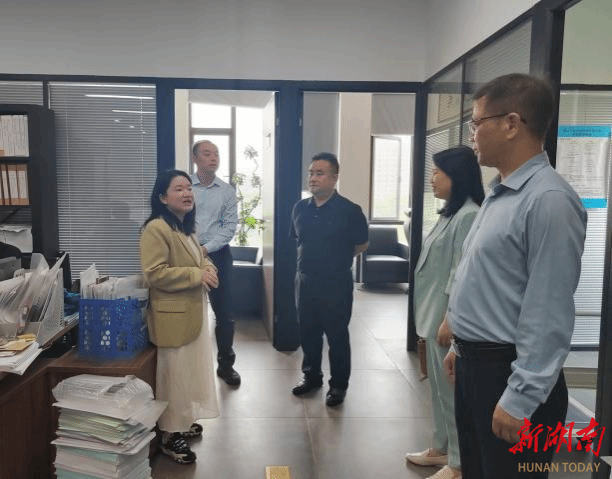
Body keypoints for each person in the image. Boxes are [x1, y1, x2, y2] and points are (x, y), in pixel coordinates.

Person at [443, 74, 587, 479]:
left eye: (476, 123)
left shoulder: (549, 200)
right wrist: (459, 345)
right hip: (476, 366)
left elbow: (549, 310)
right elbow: (484, 280)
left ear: (511, 124)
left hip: (509, 375)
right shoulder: (500, 192)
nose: (471, 134)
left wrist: (521, 397)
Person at [406, 146, 484, 479]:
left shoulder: (468, 215)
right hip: (431, 313)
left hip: (445, 318)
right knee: (438, 389)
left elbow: (459, 272)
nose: (432, 178)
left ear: (457, 176)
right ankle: (440, 447)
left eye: (438, 172)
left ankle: (458, 462)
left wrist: (449, 319)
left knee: (451, 392)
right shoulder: (450, 213)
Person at [140, 169, 220, 464]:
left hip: (191, 313)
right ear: (162, 197)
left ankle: (181, 422)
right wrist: (196, 275)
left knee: (187, 374)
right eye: (178, 189)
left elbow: (201, 258)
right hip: (171, 316)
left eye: (189, 188)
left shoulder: (185, 227)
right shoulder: (156, 228)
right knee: (173, 377)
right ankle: (169, 435)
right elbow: (154, 273)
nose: (187, 194)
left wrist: (208, 269)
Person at [290, 152, 368, 407]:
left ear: (334, 178)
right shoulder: (299, 208)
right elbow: (299, 241)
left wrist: (336, 258)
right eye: (311, 173)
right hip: (305, 281)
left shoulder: (350, 211)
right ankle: (311, 377)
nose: (313, 178)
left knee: (337, 337)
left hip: (336, 283)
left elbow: (361, 244)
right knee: (308, 333)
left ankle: (338, 386)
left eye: (319, 173)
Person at [191, 140, 240, 386]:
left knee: (225, 313)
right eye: (207, 153)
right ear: (195, 159)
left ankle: (226, 366)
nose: (213, 158)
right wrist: (190, 249)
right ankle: (190, 368)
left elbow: (229, 227)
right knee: (188, 310)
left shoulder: (227, 191)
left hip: (218, 253)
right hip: (186, 254)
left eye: (216, 154)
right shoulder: (184, 187)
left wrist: (205, 249)